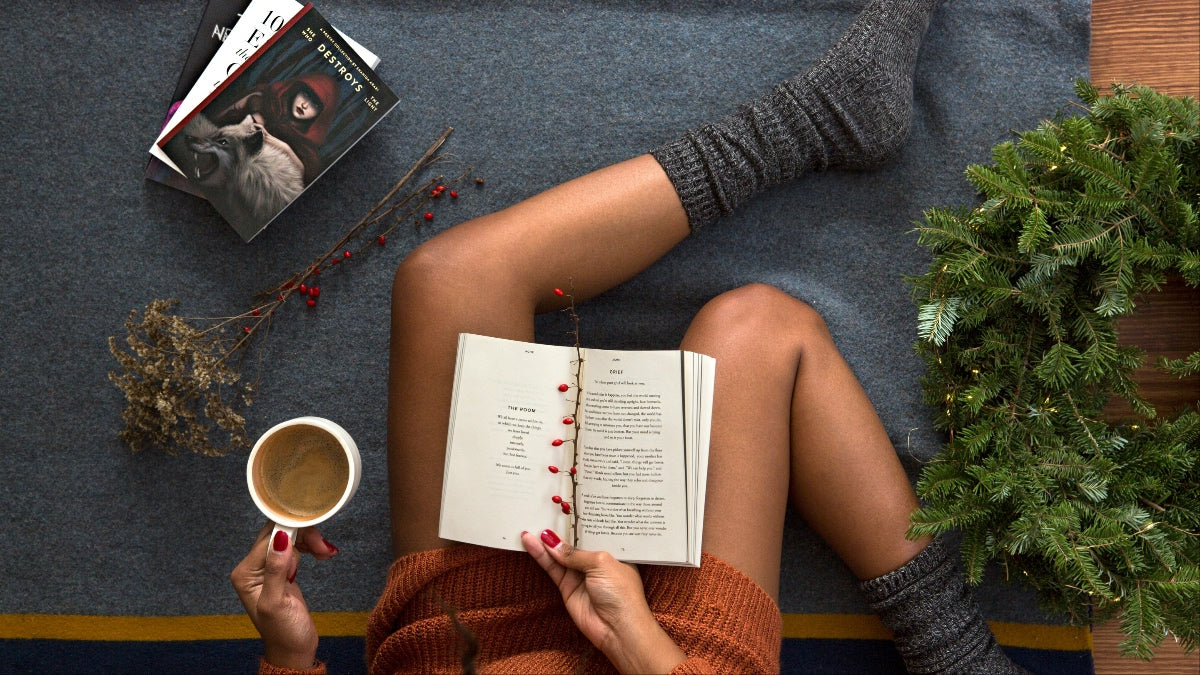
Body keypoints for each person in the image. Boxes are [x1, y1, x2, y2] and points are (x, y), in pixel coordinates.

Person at [232, 0, 1028, 672]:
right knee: (758, 326)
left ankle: (820, 121)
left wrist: (290, 656)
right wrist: (647, 649)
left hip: (466, 641)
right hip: (668, 656)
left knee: (449, 279)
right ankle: (955, 650)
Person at [212, 72, 340, 184]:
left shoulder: (307, 152)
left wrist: (285, 149)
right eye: (305, 95)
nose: (305, 105)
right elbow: (215, 120)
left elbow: (301, 182)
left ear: (320, 115)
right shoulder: (262, 100)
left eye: (315, 104)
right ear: (296, 90)